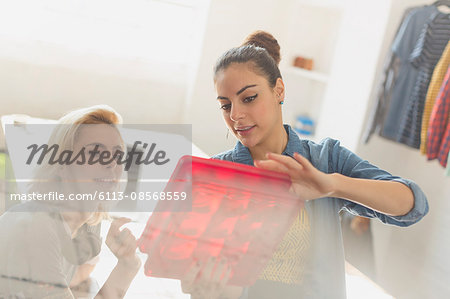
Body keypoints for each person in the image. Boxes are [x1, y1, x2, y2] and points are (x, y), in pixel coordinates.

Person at [181, 31, 428, 299]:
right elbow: (192, 281)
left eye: (249, 98)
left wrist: (332, 186)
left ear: (279, 90)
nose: (236, 115)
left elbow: (413, 205)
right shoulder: (215, 174)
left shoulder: (325, 159)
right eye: (225, 106)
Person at [0, 105, 141, 299]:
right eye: (95, 153)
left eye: (117, 154)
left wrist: (127, 265)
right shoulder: (35, 226)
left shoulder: (65, 230)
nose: (111, 163)